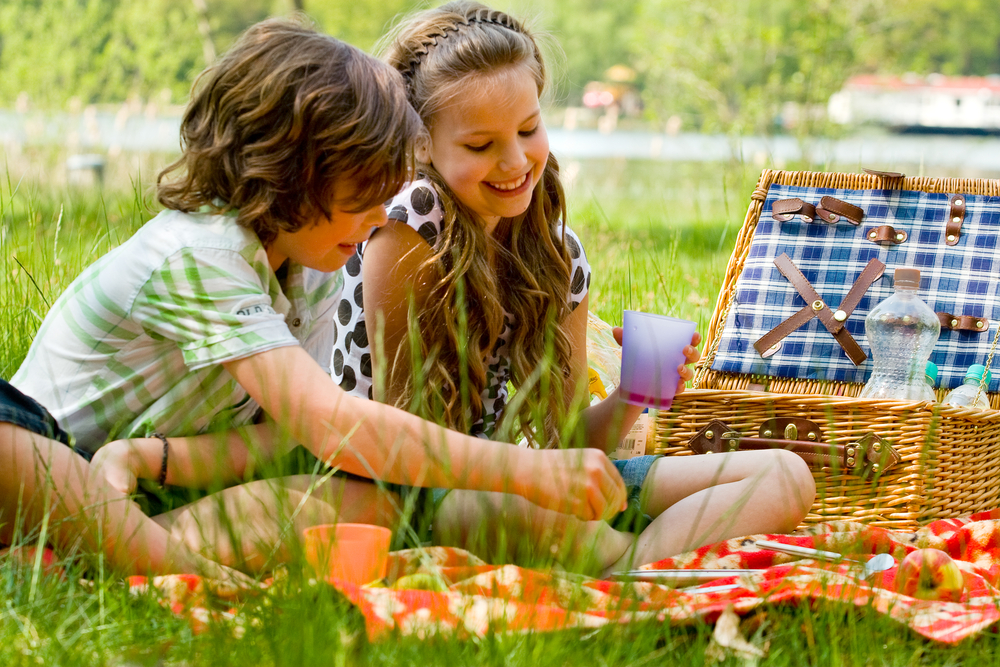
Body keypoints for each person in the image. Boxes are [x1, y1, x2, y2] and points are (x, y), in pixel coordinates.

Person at [8, 17, 628, 575]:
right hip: (50, 473)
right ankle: (91, 554)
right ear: (289, 178)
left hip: (143, 485)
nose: (381, 215)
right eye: (362, 196)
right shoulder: (200, 256)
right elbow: (332, 425)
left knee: (368, 504)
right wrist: (526, 470)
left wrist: (153, 459)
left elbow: (291, 434)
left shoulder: (313, 262)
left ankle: (113, 555)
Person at [334, 1, 817, 575]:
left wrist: (633, 396)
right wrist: (541, 485)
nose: (515, 161)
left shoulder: (557, 254)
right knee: (550, 519)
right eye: (480, 146)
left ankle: (630, 564)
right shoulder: (413, 220)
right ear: (423, 145)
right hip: (422, 489)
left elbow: (567, 446)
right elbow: (404, 438)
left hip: (523, 481)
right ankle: (637, 566)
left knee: (785, 475)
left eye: (528, 129)